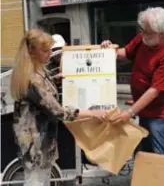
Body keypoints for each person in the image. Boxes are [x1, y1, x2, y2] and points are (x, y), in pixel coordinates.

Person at [10, 29, 107, 186]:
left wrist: (54, 81)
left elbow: (41, 96)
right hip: (35, 142)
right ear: (32, 51)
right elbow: (58, 111)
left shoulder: (37, 69)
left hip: (39, 138)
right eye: (45, 50)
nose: (49, 54)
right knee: (36, 181)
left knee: (41, 179)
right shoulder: (33, 78)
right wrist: (93, 113)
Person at [101, 7, 164, 155]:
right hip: (143, 108)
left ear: (163, 33)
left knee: (159, 153)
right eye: (142, 30)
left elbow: (154, 91)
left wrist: (130, 112)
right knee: (144, 150)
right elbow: (125, 52)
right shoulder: (143, 39)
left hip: (159, 113)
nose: (143, 34)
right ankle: (146, 177)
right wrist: (109, 50)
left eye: (148, 32)